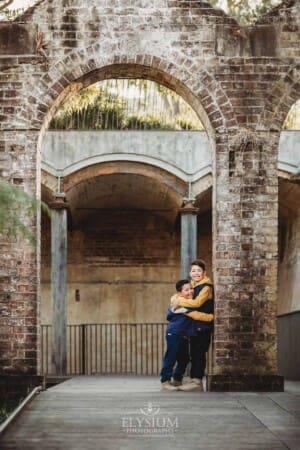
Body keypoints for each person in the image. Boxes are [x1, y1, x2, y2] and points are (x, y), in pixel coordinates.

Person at [160, 279, 214, 391]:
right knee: (171, 357)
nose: (190, 291)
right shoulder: (183, 305)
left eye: (191, 289)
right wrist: (212, 317)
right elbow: (198, 315)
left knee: (184, 359)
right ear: (180, 293)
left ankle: (177, 380)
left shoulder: (181, 301)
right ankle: (165, 382)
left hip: (183, 336)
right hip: (174, 334)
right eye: (186, 290)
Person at [172, 259, 214, 392]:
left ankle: (197, 381)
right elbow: (175, 296)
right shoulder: (191, 285)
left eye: (199, 271)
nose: (196, 273)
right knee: (194, 352)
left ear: (204, 272)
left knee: (199, 353)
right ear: (190, 273)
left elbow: (196, 303)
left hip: (203, 325)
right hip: (194, 326)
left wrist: (182, 306)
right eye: (193, 270)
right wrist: (177, 300)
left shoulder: (206, 287)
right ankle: (193, 379)